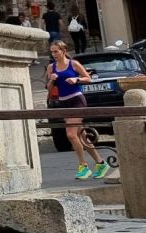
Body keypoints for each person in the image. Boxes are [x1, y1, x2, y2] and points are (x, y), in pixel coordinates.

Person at [45, 41, 107, 180]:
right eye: (52, 52)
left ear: (63, 50)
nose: (54, 54)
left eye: (56, 51)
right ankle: (101, 163)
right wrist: (52, 81)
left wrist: (76, 79)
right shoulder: (51, 67)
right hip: (63, 102)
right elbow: (49, 89)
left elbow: (88, 79)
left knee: (71, 134)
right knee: (82, 135)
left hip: (77, 100)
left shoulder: (73, 64)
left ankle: (83, 166)